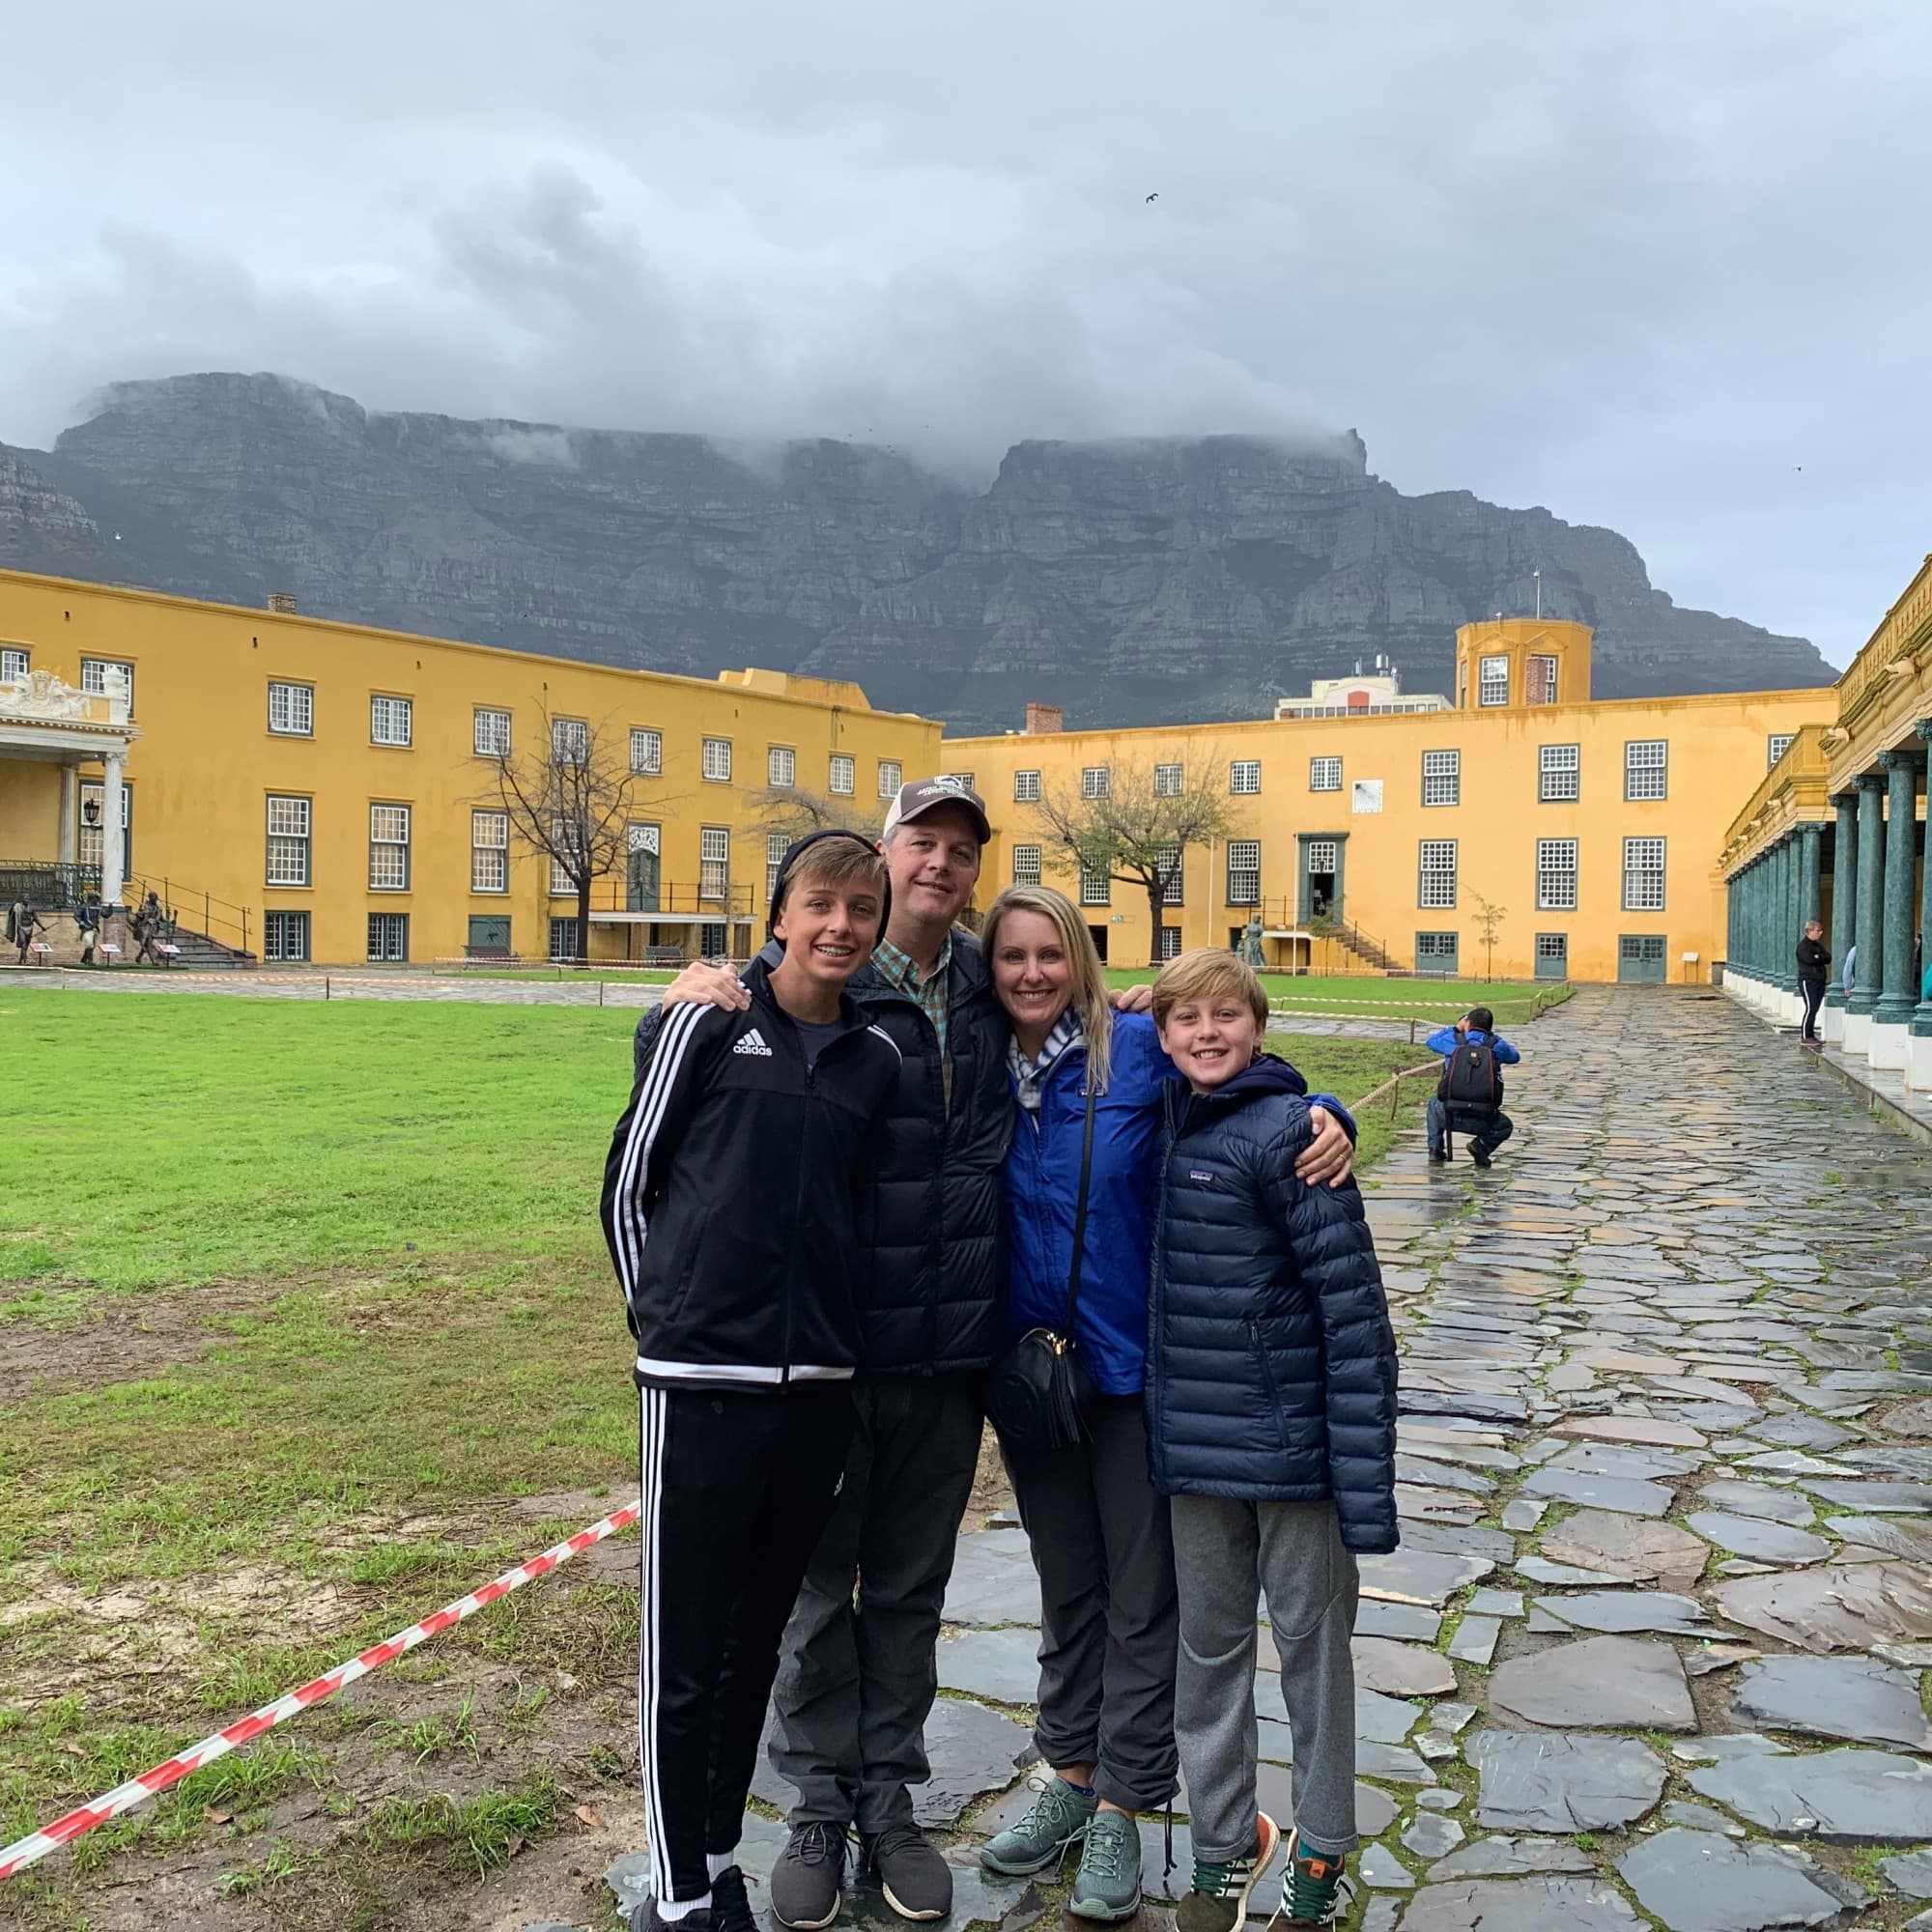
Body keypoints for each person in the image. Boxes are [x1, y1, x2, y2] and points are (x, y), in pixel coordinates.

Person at [637, 777, 1017, 1928]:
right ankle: (813, 1802)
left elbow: (1124, 1027)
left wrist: (1310, 1105)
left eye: (961, 849)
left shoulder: (993, 982)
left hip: (944, 1343)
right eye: (921, 842)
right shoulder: (794, 989)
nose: (939, 863)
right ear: (880, 860)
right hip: (826, 1349)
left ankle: (886, 1803)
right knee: (805, 1594)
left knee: (906, 1590)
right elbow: (657, 1157)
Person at [975, 889, 1353, 1922]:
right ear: (988, 967)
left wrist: (1331, 1113)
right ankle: (1071, 1773)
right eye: (1011, 955)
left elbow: (1248, 1082)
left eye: (1052, 952)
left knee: (1143, 1597)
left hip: (1136, 1367)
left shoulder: (1136, 1046)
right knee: (1068, 1587)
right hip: (1030, 1375)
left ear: (1081, 958)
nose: (1032, 973)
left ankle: (1124, 1802)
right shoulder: (972, 1059)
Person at [600, 832, 902, 1932]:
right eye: (819, 903)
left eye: (860, 909)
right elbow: (629, 1183)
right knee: (683, 1648)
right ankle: (676, 1895)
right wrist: (666, 1322)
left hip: (815, 1388)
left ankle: (717, 1852)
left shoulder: (873, 1057)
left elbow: (853, 1214)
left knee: (751, 1640)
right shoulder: (709, 1020)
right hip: (698, 1380)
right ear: (780, 914)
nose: (839, 926)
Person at [1147, 950, 1398, 1930]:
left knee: (1311, 1656)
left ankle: (1321, 1847)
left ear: (1258, 1026)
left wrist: (1359, 1481)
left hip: (1293, 1456)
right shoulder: (1168, 1120)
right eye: (1186, 1018)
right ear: (1163, 1034)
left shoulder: (1294, 1134)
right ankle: (1222, 1846)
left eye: (1226, 1015)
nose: (1206, 1033)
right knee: (1205, 1655)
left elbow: (1354, 1314)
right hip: (1196, 1450)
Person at [1423, 1007, 1520, 1168]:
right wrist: (1493, 1037)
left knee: (1434, 1103)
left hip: (1449, 1115)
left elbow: (1431, 1042)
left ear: (1468, 1023)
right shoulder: (1496, 1046)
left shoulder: (1454, 1041)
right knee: (1505, 1126)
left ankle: (1435, 1149)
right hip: (1483, 1118)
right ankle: (1481, 1145)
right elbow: (1515, 1056)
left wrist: (1456, 1028)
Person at [1796, 920, 1830, 1045]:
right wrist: (1819, 957)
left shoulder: (1817, 946)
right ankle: (1806, 1036)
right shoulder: (1803, 946)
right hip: (1808, 980)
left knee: (1815, 1008)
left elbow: (1828, 957)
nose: (1820, 933)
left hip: (1819, 980)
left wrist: (1818, 957)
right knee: (1811, 1007)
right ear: (1809, 931)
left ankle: (1811, 1035)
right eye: (1818, 931)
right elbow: (1809, 960)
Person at [75, 891, 102, 966]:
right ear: (92, 898)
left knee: (92, 945)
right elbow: (76, 916)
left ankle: (84, 959)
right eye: (96, 898)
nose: (97, 899)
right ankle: (90, 960)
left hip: (95, 928)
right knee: (90, 944)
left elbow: (105, 914)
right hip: (87, 928)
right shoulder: (84, 906)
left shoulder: (99, 907)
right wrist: (82, 923)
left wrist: (110, 909)